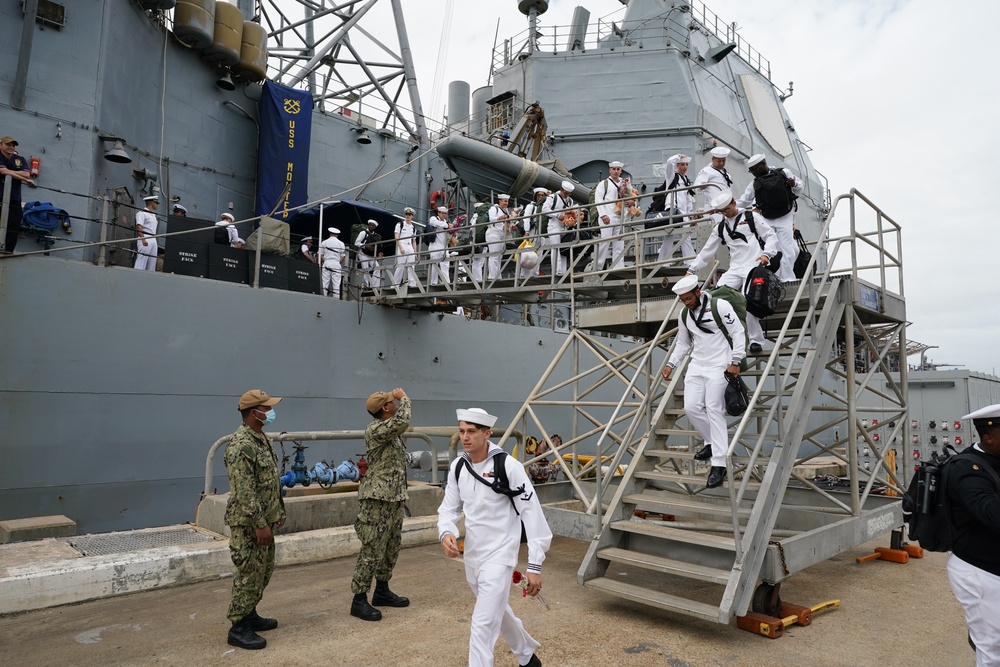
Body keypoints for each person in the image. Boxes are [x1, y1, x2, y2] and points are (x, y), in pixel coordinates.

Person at [438, 408, 552, 667]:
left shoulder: (508, 467)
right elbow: (449, 508)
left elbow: (533, 516)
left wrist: (534, 565)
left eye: (472, 431)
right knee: (498, 613)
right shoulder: (458, 467)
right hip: (473, 556)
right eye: (462, 431)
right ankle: (527, 657)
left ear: (487, 433)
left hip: (500, 557)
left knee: (482, 626)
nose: (465, 437)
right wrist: (446, 531)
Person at [661, 274, 746, 488]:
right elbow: (682, 343)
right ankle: (711, 441)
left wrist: (736, 360)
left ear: (698, 292)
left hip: (720, 364)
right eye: (683, 300)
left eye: (688, 298)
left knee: (714, 409)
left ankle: (719, 464)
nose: (686, 303)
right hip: (697, 364)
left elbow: (738, 332)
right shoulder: (684, 315)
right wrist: (671, 364)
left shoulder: (721, 306)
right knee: (691, 408)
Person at [224, 389, 286, 650]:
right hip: (249, 523)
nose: (270, 412)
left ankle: (250, 613)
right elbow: (244, 491)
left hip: (265, 518)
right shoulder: (241, 445)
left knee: (263, 572)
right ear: (253, 413)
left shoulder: (262, 438)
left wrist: (277, 513)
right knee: (249, 574)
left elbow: (270, 482)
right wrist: (260, 524)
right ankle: (238, 627)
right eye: (266, 408)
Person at [686, 189, 777, 354]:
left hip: (753, 265)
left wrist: (766, 254)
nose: (725, 213)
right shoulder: (720, 228)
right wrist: (691, 270)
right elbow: (706, 251)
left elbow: (771, 236)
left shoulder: (751, 217)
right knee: (716, 297)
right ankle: (723, 337)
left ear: (734, 203)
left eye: (727, 209)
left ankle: (756, 340)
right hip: (735, 268)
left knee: (747, 300)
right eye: (721, 211)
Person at [351, 387, 412, 622]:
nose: (396, 404)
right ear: (385, 408)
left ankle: (382, 590)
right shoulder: (377, 429)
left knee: (390, 547)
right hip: (376, 500)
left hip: (393, 498)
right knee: (372, 550)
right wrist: (405, 398)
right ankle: (359, 599)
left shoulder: (390, 433)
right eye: (392, 402)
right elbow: (403, 420)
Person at [947, 404, 1000, 666]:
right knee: (993, 648)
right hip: (981, 572)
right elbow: (994, 516)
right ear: (988, 437)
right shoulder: (967, 469)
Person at [735, 154, 804, 282]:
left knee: (788, 249)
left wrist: (794, 184)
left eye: (755, 170)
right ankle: (776, 278)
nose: (754, 173)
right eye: (752, 171)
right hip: (766, 218)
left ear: (763, 164)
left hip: (785, 216)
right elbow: (744, 201)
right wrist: (728, 205)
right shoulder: (754, 184)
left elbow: (800, 187)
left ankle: (788, 279)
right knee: (772, 249)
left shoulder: (783, 173)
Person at [657, 153, 696, 262]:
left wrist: (691, 215)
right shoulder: (672, 176)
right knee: (676, 236)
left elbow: (688, 199)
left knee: (673, 237)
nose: (685, 167)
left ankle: (663, 261)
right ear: (677, 165)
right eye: (682, 164)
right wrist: (678, 156)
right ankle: (689, 261)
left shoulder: (686, 180)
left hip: (683, 212)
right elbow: (669, 162)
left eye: (686, 165)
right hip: (673, 209)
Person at [0, 135, 34, 253]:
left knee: (14, 223)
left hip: (14, 197)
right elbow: (2, 170)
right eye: (8, 144)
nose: (11, 147)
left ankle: (8, 250)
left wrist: (10, 173)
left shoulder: (20, 159)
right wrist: (23, 178)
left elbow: (27, 174)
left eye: (13, 145)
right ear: (1, 145)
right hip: (0, 195)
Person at [594, 161, 628, 270]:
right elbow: (598, 200)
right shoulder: (604, 184)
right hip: (607, 216)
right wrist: (603, 215)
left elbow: (631, 195)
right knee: (605, 242)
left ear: (621, 171)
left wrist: (632, 203)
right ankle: (598, 266)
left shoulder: (625, 183)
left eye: (618, 169)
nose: (616, 171)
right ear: (610, 170)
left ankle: (618, 266)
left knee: (619, 243)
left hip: (620, 217)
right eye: (614, 169)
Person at [541, 180, 576, 277]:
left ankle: (563, 270)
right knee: (555, 247)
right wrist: (557, 215)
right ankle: (557, 270)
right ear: (561, 190)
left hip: (565, 226)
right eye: (565, 193)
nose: (566, 195)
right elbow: (545, 209)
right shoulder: (553, 197)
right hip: (554, 225)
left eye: (568, 194)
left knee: (564, 249)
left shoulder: (570, 200)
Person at [693, 146, 734, 211]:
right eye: (719, 161)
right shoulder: (707, 171)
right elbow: (696, 186)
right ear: (713, 159)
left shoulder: (726, 173)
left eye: (723, 161)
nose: (721, 163)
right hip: (713, 207)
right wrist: (702, 186)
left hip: (725, 205)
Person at [486, 195, 514, 280]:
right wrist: (499, 218)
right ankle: (492, 276)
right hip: (493, 233)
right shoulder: (494, 209)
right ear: (500, 201)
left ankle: (497, 275)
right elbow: (491, 219)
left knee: (499, 256)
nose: (506, 203)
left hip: (501, 235)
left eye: (507, 201)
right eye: (505, 201)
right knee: (493, 255)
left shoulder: (505, 211)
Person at [393, 207, 418, 289]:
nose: (407, 216)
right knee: (400, 266)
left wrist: (415, 252)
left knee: (411, 266)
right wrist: (400, 248)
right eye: (406, 214)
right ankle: (395, 284)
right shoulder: (400, 224)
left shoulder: (413, 227)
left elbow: (414, 240)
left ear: (412, 216)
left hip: (410, 246)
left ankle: (412, 283)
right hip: (402, 245)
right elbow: (396, 236)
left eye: (409, 215)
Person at [318, 226, 347, 298]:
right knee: (336, 282)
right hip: (336, 262)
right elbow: (343, 256)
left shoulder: (324, 242)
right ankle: (336, 299)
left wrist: (325, 261)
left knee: (325, 281)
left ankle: (323, 297)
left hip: (327, 262)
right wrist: (337, 262)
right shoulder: (341, 243)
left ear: (329, 233)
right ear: (337, 235)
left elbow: (320, 255)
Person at [426, 206, 452, 285]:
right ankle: (433, 283)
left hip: (444, 247)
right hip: (435, 246)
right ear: (439, 213)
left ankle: (446, 282)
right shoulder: (434, 219)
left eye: (445, 213)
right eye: (443, 213)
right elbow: (434, 223)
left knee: (445, 265)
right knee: (434, 265)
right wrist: (447, 226)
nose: (444, 215)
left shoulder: (446, 222)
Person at [134, 194, 160, 271]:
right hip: (146, 237)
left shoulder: (153, 215)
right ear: (152, 203)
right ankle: (137, 276)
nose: (157, 205)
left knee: (152, 262)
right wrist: (143, 239)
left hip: (153, 238)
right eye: (156, 203)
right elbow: (139, 226)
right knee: (142, 260)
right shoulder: (142, 213)